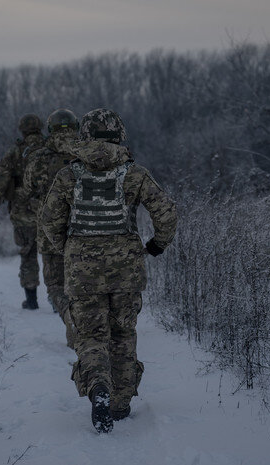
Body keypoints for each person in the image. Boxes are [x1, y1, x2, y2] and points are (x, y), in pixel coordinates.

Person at [39, 108, 178, 433]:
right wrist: (157, 244)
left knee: (90, 335)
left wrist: (69, 249)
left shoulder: (68, 175)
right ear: (120, 136)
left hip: (81, 271)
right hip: (127, 271)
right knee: (122, 334)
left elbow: (48, 220)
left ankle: (98, 386)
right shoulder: (135, 174)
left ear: (84, 136)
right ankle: (120, 404)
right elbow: (167, 213)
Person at [21, 109, 80, 349]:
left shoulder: (39, 157)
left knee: (56, 285)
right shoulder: (87, 152)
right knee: (82, 282)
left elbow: (27, 189)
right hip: (85, 229)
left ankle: (70, 318)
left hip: (50, 231)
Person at [0, 113, 45, 310]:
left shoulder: (15, 151)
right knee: (56, 254)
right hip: (52, 208)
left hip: (23, 210)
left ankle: (31, 300)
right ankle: (59, 301)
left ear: (22, 129)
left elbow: (1, 180)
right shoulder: (52, 148)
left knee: (28, 253)